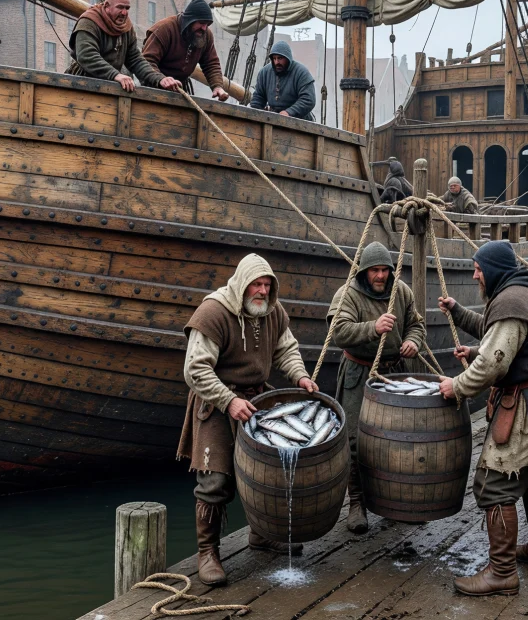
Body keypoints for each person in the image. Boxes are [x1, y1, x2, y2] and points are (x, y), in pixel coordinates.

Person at [437, 240, 528, 597]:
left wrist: (456, 386)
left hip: (527, 404)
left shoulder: (512, 302)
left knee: (495, 482)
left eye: (478, 268)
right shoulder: (526, 290)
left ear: (493, 270)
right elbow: (502, 342)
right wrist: (464, 327)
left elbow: (492, 363)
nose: (474, 275)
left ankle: (501, 572)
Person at [178, 253, 318, 586]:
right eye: (257, 284)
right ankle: (207, 553)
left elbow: (286, 349)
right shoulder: (213, 313)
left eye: (267, 285)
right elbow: (194, 369)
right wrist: (228, 401)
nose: (262, 291)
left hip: (257, 399)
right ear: (242, 284)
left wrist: (299, 376)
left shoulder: (272, 311)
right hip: (216, 401)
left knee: (265, 471)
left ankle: (262, 534)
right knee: (215, 481)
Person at [327, 241, 427, 534]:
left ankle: (395, 502)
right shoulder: (348, 295)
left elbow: (416, 324)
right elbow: (338, 332)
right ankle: (357, 503)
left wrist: (413, 341)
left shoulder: (402, 291)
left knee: (398, 440)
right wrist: (373, 327)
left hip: (395, 375)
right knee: (356, 441)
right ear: (364, 272)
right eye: (375, 271)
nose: (381, 276)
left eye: (385, 270)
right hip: (360, 373)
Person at [66, 0, 167, 91]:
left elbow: (135, 59)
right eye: (120, 7)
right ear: (107, 6)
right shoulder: (89, 22)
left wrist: (159, 79)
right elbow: (86, 55)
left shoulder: (126, 27)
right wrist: (115, 75)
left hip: (111, 86)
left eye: (127, 8)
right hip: (82, 84)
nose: (124, 13)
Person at [142, 0, 230, 101]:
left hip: (180, 91)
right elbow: (146, 62)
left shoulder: (205, 35)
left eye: (207, 24)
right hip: (152, 89)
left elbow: (211, 64)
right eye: (201, 23)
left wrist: (217, 86)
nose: (204, 28)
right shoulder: (164, 29)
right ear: (189, 20)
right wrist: (161, 79)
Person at [249, 40, 317, 120]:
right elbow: (258, 97)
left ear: (287, 58)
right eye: (274, 58)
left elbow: (308, 100)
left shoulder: (301, 73)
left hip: (300, 122)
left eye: (280, 58)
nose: (277, 62)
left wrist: (289, 112)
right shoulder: (265, 73)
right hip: (274, 120)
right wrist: (255, 113)